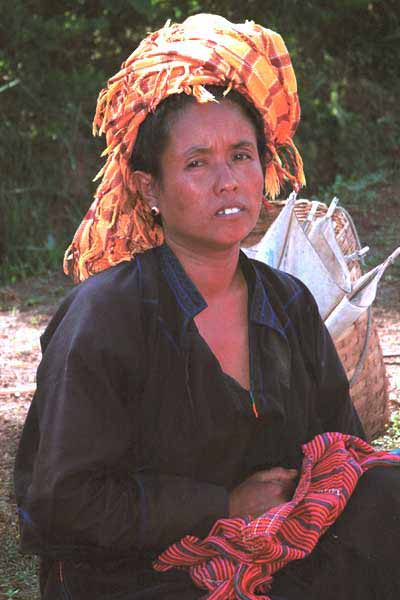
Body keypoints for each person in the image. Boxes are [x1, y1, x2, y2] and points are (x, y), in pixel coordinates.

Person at [14, 14, 400, 600]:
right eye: (197, 163)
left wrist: (296, 508)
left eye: (242, 156)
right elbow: (63, 503)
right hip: (141, 576)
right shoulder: (106, 316)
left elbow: (339, 454)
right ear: (150, 190)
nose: (228, 181)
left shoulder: (286, 302)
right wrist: (222, 506)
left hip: (270, 551)